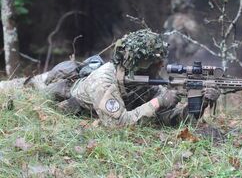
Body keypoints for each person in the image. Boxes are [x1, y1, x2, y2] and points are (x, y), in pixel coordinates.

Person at [0, 29, 220, 127]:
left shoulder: (145, 80)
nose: (161, 65)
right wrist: (159, 102)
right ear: (140, 65)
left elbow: (170, 119)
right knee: (14, 88)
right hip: (57, 85)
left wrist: (199, 103)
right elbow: (118, 125)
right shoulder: (105, 81)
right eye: (155, 63)